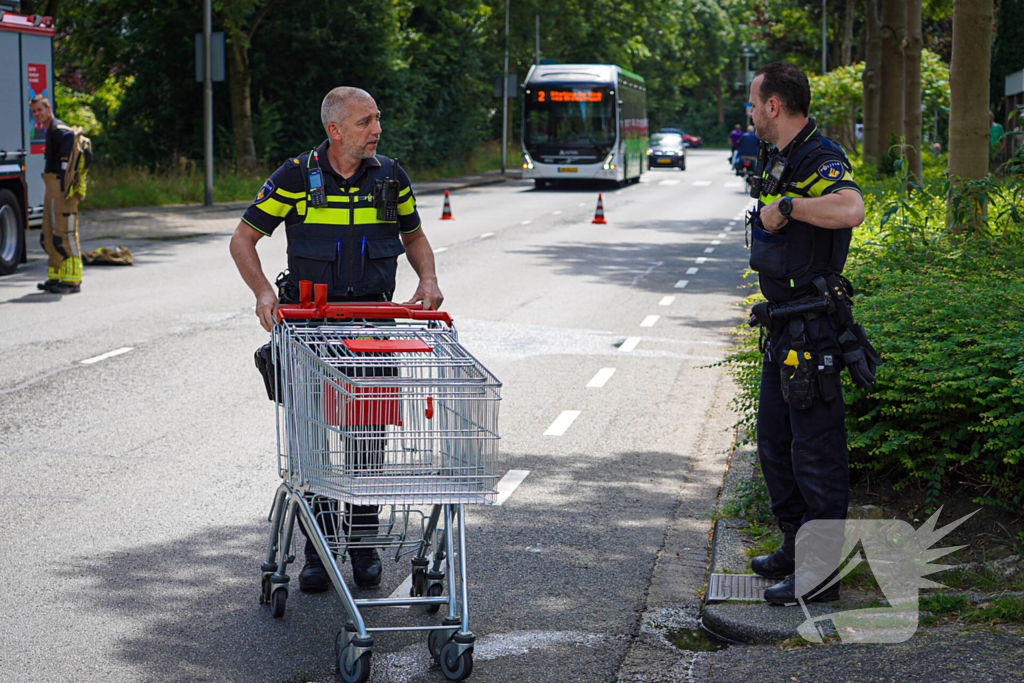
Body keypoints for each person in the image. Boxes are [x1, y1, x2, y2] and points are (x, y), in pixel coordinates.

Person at [230, 86, 443, 592]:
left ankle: (363, 547)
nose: (377, 129)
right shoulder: (295, 177)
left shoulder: (391, 177)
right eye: (367, 121)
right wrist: (264, 293)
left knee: (367, 443)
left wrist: (428, 279)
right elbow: (243, 238)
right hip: (311, 336)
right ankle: (318, 549)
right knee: (312, 448)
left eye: (377, 120)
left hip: (374, 334)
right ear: (336, 130)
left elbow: (413, 236)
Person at [744, 62, 875, 607]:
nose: (749, 113)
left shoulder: (820, 158)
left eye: (753, 103)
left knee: (816, 455)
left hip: (814, 333)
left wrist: (790, 207)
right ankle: (796, 550)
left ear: (774, 106)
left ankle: (821, 577)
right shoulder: (783, 158)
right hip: (784, 328)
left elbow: (852, 208)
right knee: (776, 446)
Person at [30, 95, 83, 294]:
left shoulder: (59, 129)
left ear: (48, 108)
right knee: (49, 236)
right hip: (52, 186)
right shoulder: (50, 130)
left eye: (39, 110)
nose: (37, 114)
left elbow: (70, 138)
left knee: (64, 236)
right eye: (34, 111)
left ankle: (73, 281)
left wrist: (64, 175)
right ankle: (56, 277)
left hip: (61, 188)